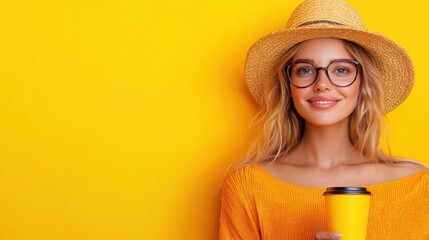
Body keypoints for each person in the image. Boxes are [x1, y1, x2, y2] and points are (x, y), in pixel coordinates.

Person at [219, 0, 429, 239]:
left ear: (363, 85)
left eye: (341, 70)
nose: (322, 84)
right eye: (305, 70)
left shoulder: (417, 188)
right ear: (288, 85)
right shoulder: (248, 187)